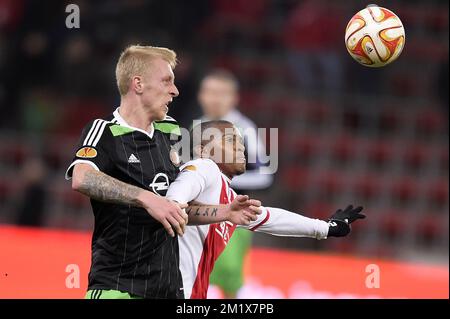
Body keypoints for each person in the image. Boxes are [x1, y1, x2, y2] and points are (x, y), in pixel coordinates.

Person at [64, 45, 260, 299]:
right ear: (138, 84)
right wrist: (148, 198)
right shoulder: (104, 131)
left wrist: (224, 212)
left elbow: (176, 209)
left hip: (167, 290)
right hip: (118, 287)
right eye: (167, 80)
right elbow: (81, 178)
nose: (175, 90)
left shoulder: (173, 135)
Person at [166, 120, 365, 299]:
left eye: (241, 142)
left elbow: (271, 218)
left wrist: (326, 228)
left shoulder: (229, 198)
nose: (240, 147)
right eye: (230, 140)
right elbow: (173, 202)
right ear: (203, 150)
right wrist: (175, 202)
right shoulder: (203, 167)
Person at [196, 69, 274, 297]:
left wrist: (224, 180)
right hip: (198, 217)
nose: (214, 98)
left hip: (233, 219)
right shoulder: (195, 127)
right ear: (200, 96)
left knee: (229, 280)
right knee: (192, 277)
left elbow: (266, 175)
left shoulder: (245, 129)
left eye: (221, 93)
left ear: (234, 98)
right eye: (209, 92)